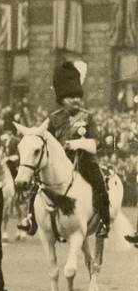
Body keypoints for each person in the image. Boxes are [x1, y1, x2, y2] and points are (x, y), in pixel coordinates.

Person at [18, 61, 111, 241]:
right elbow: (40, 138)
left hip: (84, 162)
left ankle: (104, 223)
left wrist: (76, 145)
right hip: (59, 164)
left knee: (100, 184)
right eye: (70, 96)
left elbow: (96, 143)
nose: (75, 99)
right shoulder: (53, 120)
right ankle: (31, 219)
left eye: (77, 96)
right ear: (62, 98)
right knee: (38, 185)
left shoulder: (87, 117)